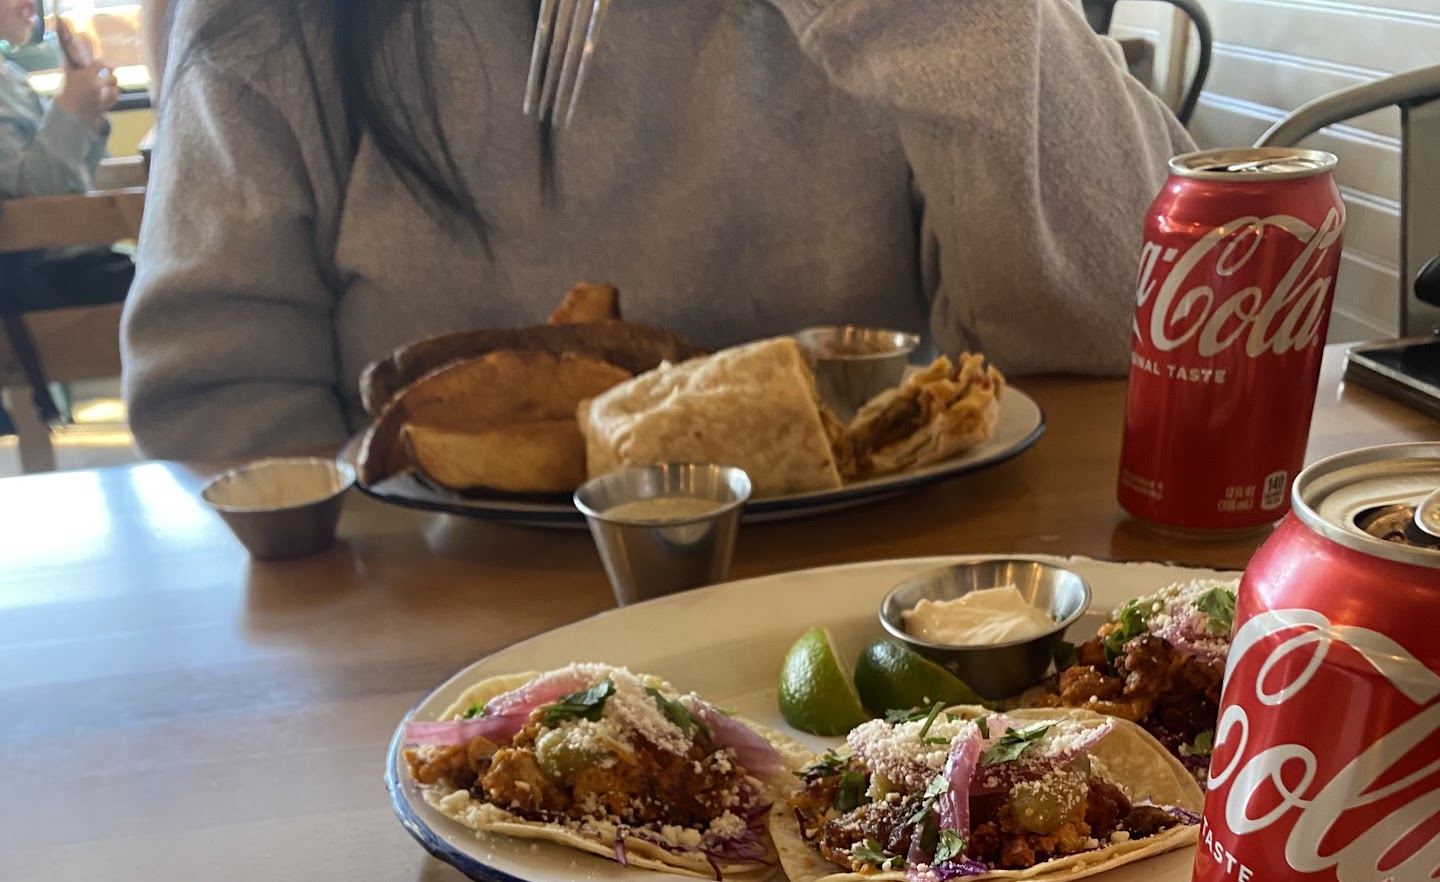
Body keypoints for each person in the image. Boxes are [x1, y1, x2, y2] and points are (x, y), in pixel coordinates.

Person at [123, 0, 1190, 464]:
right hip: (431, 668)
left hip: (869, 622)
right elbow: (216, 413)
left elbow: (1135, 324)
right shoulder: (277, 33)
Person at [0, 0, 129, 305]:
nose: (30, 4)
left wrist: (88, 115)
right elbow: (33, 211)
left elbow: (76, 184)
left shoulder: (10, 78)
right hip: (36, 284)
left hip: (72, 264)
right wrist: (71, 109)